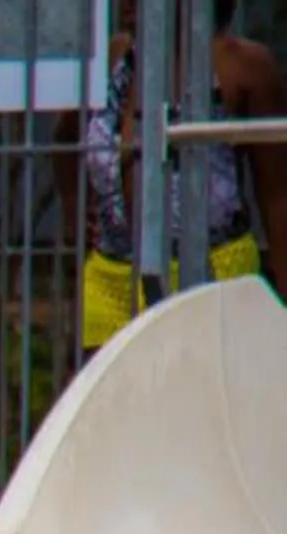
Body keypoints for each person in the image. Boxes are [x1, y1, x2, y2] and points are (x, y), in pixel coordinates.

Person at [57, 15, 287, 360]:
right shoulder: (114, 59)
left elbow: (277, 198)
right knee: (114, 405)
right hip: (112, 276)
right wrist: (77, 217)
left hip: (212, 272)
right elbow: (64, 139)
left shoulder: (239, 65)